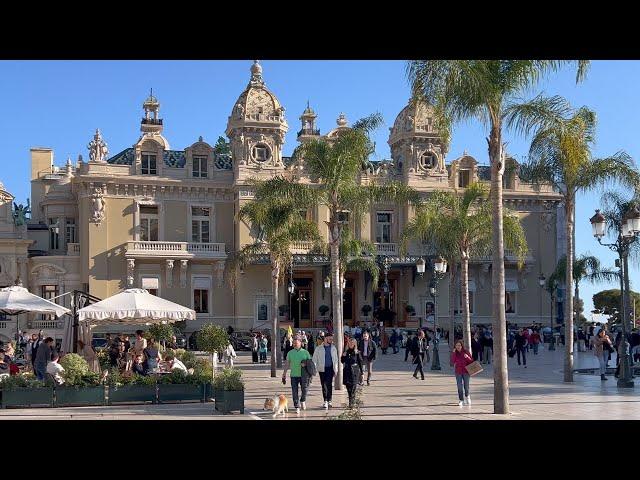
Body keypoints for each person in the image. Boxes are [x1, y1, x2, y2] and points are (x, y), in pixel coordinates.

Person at [281, 336, 312, 414]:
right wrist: (284, 373)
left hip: (304, 375)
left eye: (296, 343)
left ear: (300, 343)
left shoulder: (305, 352)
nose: (294, 344)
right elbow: (287, 364)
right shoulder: (290, 353)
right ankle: (297, 406)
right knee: (294, 391)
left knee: (304, 389)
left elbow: (310, 363)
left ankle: (302, 400)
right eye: (293, 343)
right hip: (294, 375)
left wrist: (305, 363)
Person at [312, 332, 339, 409]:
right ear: (325, 339)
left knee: (329, 384)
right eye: (330, 339)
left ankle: (330, 400)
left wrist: (336, 370)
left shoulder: (333, 348)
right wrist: (314, 369)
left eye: (332, 339)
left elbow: (336, 360)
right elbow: (314, 359)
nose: (331, 340)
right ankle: (325, 401)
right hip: (322, 369)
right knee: (324, 385)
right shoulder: (318, 348)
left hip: (330, 369)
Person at [341, 337, 363, 408]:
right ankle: (351, 400)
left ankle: (352, 403)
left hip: (354, 372)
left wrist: (362, 373)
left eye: (352, 343)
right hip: (347, 371)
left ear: (354, 344)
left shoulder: (357, 352)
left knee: (353, 388)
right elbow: (342, 361)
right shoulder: (346, 352)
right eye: (349, 343)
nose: (350, 344)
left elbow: (360, 363)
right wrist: (343, 356)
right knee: (348, 388)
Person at [450, 339, 474, 406]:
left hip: (466, 371)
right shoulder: (455, 353)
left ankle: (467, 396)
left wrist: (467, 357)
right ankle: (461, 400)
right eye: (457, 345)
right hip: (458, 372)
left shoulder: (466, 352)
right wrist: (454, 353)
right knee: (459, 386)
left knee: (466, 386)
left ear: (462, 346)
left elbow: (471, 361)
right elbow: (452, 361)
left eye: (459, 345)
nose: (458, 347)